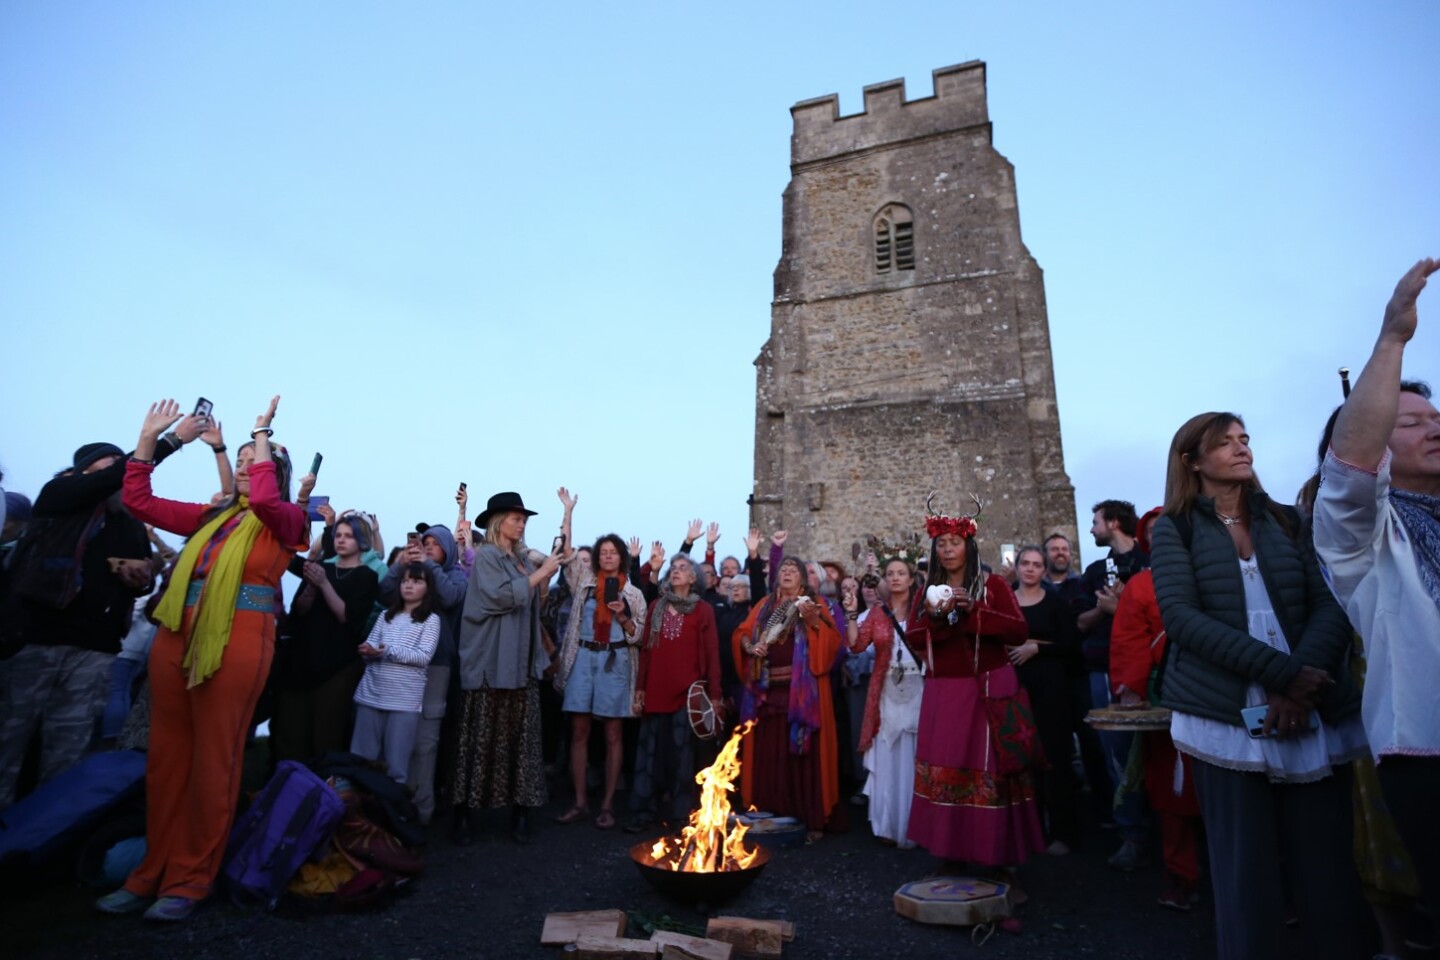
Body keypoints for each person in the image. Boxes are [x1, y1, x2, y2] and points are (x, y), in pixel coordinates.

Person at [1151, 411, 1368, 960]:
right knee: (1244, 874)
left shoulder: (1288, 521)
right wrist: (1283, 675)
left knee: (1329, 870)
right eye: (1224, 443)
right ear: (1192, 461)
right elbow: (1182, 618)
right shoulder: (1174, 529)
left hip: (1307, 706)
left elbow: (1329, 603)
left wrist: (1299, 685)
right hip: (1225, 712)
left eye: (1244, 439)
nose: (1241, 448)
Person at [97, 396, 312, 922]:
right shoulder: (211, 517)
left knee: (215, 761)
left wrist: (261, 431)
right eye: (238, 460)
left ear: (273, 472)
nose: (243, 467)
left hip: (239, 638)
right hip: (177, 633)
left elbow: (264, 498)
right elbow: (140, 503)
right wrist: (148, 444)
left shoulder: (286, 519)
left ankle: (192, 878)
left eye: (254, 460)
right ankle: (151, 871)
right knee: (167, 760)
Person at [1313, 256, 1440, 948]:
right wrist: (1391, 341)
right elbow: (1351, 465)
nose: (1434, 426)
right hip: (1430, 748)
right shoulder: (1364, 535)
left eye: (1437, 416)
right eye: (1411, 421)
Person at [904, 502, 1043, 881]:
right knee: (946, 769)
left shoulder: (993, 585)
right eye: (941, 544)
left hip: (987, 691)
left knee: (988, 770)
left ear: (969, 546)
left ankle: (995, 854)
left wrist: (973, 611)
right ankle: (950, 853)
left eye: (954, 542)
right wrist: (938, 617)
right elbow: (914, 636)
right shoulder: (925, 593)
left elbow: (1017, 629)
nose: (947, 549)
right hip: (945, 694)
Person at [450, 490, 559, 845]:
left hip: (520, 665)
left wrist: (541, 571)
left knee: (521, 741)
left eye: (524, 519)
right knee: (479, 738)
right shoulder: (487, 557)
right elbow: (499, 597)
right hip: (489, 664)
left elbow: (532, 599)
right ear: (499, 522)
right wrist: (541, 572)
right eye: (516, 517)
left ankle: (521, 812)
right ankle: (463, 812)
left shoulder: (520, 560)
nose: (522, 523)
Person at [1109, 510, 1202, 910]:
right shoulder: (1141, 585)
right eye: (1154, 534)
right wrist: (1131, 690)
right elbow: (1129, 640)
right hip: (1164, 697)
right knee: (1171, 792)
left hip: (1222, 698)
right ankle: (1182, 875)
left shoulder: (1212, 576)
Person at [551, 488, 647, 831]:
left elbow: (638, 637)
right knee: (578, 731)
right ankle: (579, 802)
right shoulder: (585, 585)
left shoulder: (633, 593)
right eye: (602, 552)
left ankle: (607, 804)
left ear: (622, 557)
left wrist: (622, 616)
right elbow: (564, 554)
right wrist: (568, 512)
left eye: (612, 553)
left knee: (613, 734)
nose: (607, 557)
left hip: (616, 663)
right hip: (583, 661)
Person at [733, 555, 842, 842]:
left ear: (803, 579)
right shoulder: (764, 606)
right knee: (770, 756)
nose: (788, 573)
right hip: (768, 696)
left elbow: (832, 644)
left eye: (794, 570)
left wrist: (814, 621)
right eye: (784, 569)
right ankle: (770, 814)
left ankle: (810, 818)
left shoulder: (813, 603)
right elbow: (742, 632)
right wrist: (750, 645)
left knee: (803, 758)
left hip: (802, 698)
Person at [1074, 499, 1152, 868]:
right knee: (1116, 754)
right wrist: (1104, 610)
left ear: (1115, 523)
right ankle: (1132, 833)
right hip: (1104, 668)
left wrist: (1122, 607)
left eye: (1095, 522)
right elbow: (1080, 623)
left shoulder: (1149, 562)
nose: (1091, 529)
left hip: (1151, 671)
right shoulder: (1092, 572)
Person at [270, 515, 379, 764]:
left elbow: (347, 617)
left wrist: (324, 584)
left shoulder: (366, 576)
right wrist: (311, 585)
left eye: (348, 536)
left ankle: (325, 791)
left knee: (327, 731)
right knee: (291, 730)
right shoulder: (321, 567)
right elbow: (300, 609)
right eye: (338, 535)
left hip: (337, 663)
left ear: (362, 541)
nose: (341, 540)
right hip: (302, 658)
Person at [377, 521, 466, 825]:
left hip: (436, 664)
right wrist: (399, 565)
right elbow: (384, 593)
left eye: (435, 544)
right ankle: (393, 807)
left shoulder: (454, 575)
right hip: (398, 665)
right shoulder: (410, 574)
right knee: (396, 736)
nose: (427, 547)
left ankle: (423, 811)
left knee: (425, 740)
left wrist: (429, 566)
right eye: (424, 543)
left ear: (449, 549)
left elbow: (451, 598)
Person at [626, 552, 720, 833]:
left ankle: (680, 816)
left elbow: (713, 654)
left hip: (686, 694)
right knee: (649, 757)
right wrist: (640, 688)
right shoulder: (656, 606)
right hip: (655, 690)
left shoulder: (703, 610)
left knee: (681, 758)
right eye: (673, 568)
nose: (676, 571)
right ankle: (644, 812)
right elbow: (646, 651)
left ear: (693, 578)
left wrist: (715, 696)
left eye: (683, 568)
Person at [1007, 545, 1079, 857]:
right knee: (1021, 759)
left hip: (1051, 686)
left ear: (1044, 570)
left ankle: (1062, 831)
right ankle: (1028, 829)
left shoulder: (1056, 603)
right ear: (1018, 566)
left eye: (1037, 564)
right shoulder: (1006, 602)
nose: (1031, 569)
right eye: (1026, 563)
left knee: (1055, 757)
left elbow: (1072, 644)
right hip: (1015, 687)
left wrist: (1038, 649)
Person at [846, 557, 923, 847]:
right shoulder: (877, 614)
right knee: (889, 756)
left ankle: (919, 826)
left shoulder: (924, 611)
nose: (895, 578)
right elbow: (856, 646)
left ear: (911, 578)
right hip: (886, 690)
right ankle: (889, 825)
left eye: (901, 573)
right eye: (890, 573)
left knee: (917, 755)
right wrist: (852, 615)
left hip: (919, 688)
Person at [351, 562, 441, 784]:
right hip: (370, 696)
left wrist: (385, 651)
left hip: (403, 702)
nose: (409, 585)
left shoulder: (430, 620)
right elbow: (371, 645)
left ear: (428, 588)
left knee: (396, 768)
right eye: (405, 580)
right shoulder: (385, 616)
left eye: (417, 581)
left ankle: (390, 814)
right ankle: (356, 813)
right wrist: (367, 650)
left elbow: (423, 657)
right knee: (360, 762)